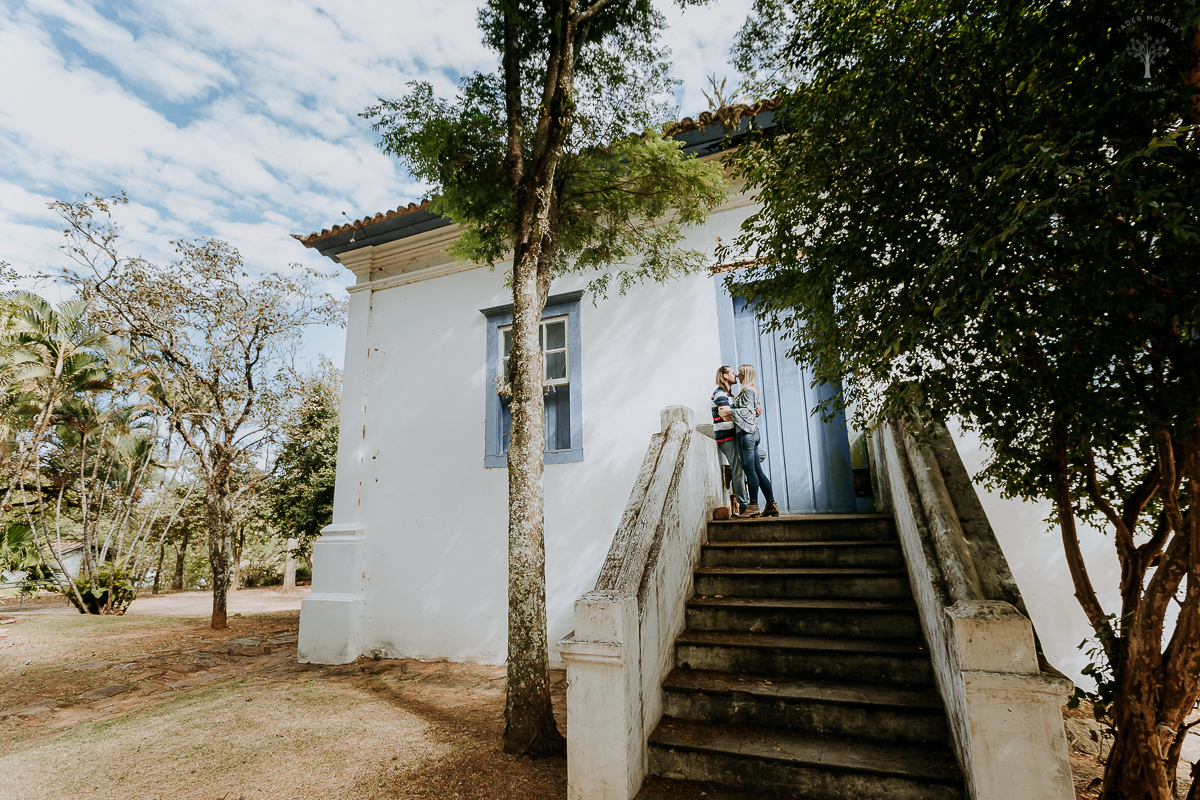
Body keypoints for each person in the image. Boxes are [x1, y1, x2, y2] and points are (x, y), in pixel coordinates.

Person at [731, 364, 780, 518]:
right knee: (758, 471)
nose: (738, 376)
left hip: (746, 434)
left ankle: (753, 506)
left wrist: (729, 411)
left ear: (745, 375)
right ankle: (771, 504)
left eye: (739, 374)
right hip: (754, 433)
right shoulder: (754, 391)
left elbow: (745, 414)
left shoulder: (747, 391)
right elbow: (751, 412)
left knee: (750, 470)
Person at [712, 366, 749, 514]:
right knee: (739, 467)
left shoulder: (730, 395)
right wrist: (742, 414)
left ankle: (730, 471)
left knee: (759, 455)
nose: (736, 375)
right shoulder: (719, 394)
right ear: (725, 376)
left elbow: (732, 414)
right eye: (733, 372)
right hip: (726, 438)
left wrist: (742, 413)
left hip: (736, 436)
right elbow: (726, 416)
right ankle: (744, 504)